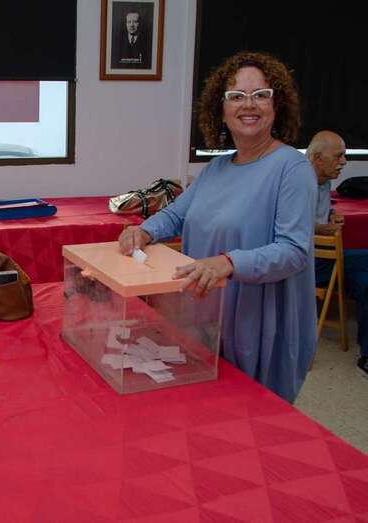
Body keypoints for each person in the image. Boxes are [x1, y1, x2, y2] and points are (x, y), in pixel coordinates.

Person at [119, 51, 317, 402]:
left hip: (257, 320)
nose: (248, 105)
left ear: (277, 105)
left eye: (260, 95)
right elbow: (175, 215)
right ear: (221, 109)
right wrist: (144, 231)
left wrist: (228, 262)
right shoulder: (215, 169)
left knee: (248, 415)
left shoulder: (293, 169)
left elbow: (293, 251)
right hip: (207, 315)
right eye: (236, 96)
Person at [307, 130, 368, 377]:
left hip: (324, 256)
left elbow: (318, 214)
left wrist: (330, 217)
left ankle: (367, 356)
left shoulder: (324, 180)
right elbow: (287, 225)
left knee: (365, 281)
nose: (344, 161)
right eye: (339, 156)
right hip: (306, 263)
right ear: (317, 158)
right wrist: (323, 228)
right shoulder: (296, 183)